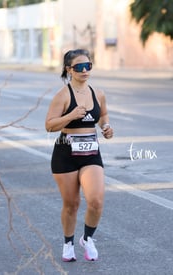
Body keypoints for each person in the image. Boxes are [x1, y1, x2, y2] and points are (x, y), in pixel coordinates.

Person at [45, 49, 114, 262]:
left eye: (88, 66)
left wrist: (106, 126)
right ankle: (68, 242)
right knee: (72, 204)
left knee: (96, 201)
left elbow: (102, 114)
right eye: (79, 67)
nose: (85, 71)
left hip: (91, 152)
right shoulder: (63, 95)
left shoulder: (98, 93)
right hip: (66, 153)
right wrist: (71, 115)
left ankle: (87, 238)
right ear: (69, 70)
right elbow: (49, 125)